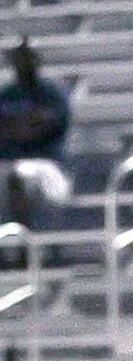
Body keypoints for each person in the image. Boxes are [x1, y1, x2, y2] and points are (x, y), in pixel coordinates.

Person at [0, 38, 71, 228]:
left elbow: (37, 128)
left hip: (47, 165)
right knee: (12, 173)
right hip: (6, 163)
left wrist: (14, 126)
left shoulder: (51, 93)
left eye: (28, 58)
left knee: (20, 175)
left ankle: (23, 243)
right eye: (19, 58)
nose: (23, 63)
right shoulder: (6, 94)